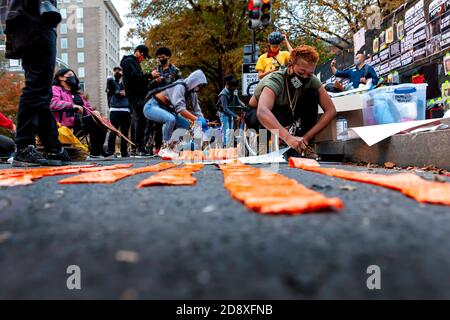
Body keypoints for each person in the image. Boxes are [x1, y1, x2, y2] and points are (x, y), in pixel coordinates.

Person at [1, 0, 71, 166]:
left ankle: (52, 147)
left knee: (42, 91)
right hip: (35, 20)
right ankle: (24, 145)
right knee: (37, 88)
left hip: (28, 22)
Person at [246, 45, 337, 154]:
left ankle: (301, 145)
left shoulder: (311, 80)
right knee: (273, 114)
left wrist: (306, 138)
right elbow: (262, 111)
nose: (304, 77)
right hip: (256, 114)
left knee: (312, 95)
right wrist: (288, 138)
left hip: (287, 112)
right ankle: (260, 146)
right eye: (300, 73)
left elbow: (331, 110)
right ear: (290, 66)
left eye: (309, 74)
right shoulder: (275, 80)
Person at [143, 70, 208, 158]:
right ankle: (165, 148)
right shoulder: (180, 86)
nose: (199, 88)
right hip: (151, 106)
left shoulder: (192, 93)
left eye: (201, 87)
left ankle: (172, 146)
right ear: (194, 81)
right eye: (199, 85)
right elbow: (180, 109)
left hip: (166, 109)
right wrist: (197, 120)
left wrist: (203, 125)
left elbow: (196, 110)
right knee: (170, 119)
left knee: (186, 124)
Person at [50, 68, 109, 160]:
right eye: (70, 75)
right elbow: (52, 103)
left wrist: (94, 113)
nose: (73, 77)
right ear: (61, 77)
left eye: (73, 76)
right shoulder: (55, 89)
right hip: (63, 126)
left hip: (79, 124)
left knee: (101, 121)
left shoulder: (78, 94)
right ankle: (95, 153)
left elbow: (87, 109)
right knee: (93, 121)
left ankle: (98, 151)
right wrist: (72, 106)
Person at [120, 45, 158, 157]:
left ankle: (138, 147)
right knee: (140, 120)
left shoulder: (134, 63)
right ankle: (139, 148)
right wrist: (150, 75)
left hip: (139, 96)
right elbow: (134, 78)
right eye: (143, 56)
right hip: (135, 96)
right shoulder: (129, 61)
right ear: (137, 52)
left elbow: (140, 80)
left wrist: (151, 79)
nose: (143, 58)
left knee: (140, 120)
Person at [146, 47, 182, 155]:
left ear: (168, 57)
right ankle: (158, 148)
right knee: (156, 126)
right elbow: (148, 86)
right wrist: (154, 81)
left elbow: (180, 85)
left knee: (172, 123)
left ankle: (171, 146)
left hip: (170, 101)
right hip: (157, 100)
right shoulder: (155, 71)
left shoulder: (175, 71)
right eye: (159, 57)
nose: (161, 59)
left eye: (163, 57)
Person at [106, 66, 131, 158]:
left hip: (126, 110)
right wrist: (118, 93)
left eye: (119, 70)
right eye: (115, 71)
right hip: (114, 109)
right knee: (113, 131)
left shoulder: (127, 82)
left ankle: (124, 151)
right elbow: (110, 90)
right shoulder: (111, 82)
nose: (117, 72)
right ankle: (110, 151)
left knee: (125, 132)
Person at [216, 75, 246, 145]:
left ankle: (229, 145)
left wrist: (244, 106)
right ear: (227, 85)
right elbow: (225, 108)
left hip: (231, 112)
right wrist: (236, 116)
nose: (233, 88)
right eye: (232, 86)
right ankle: (225, 146)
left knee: (231, 131)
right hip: (224, 113)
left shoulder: (233, 91)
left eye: (234, 86)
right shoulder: (223, 94)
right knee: (226, 131)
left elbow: (237, 100)